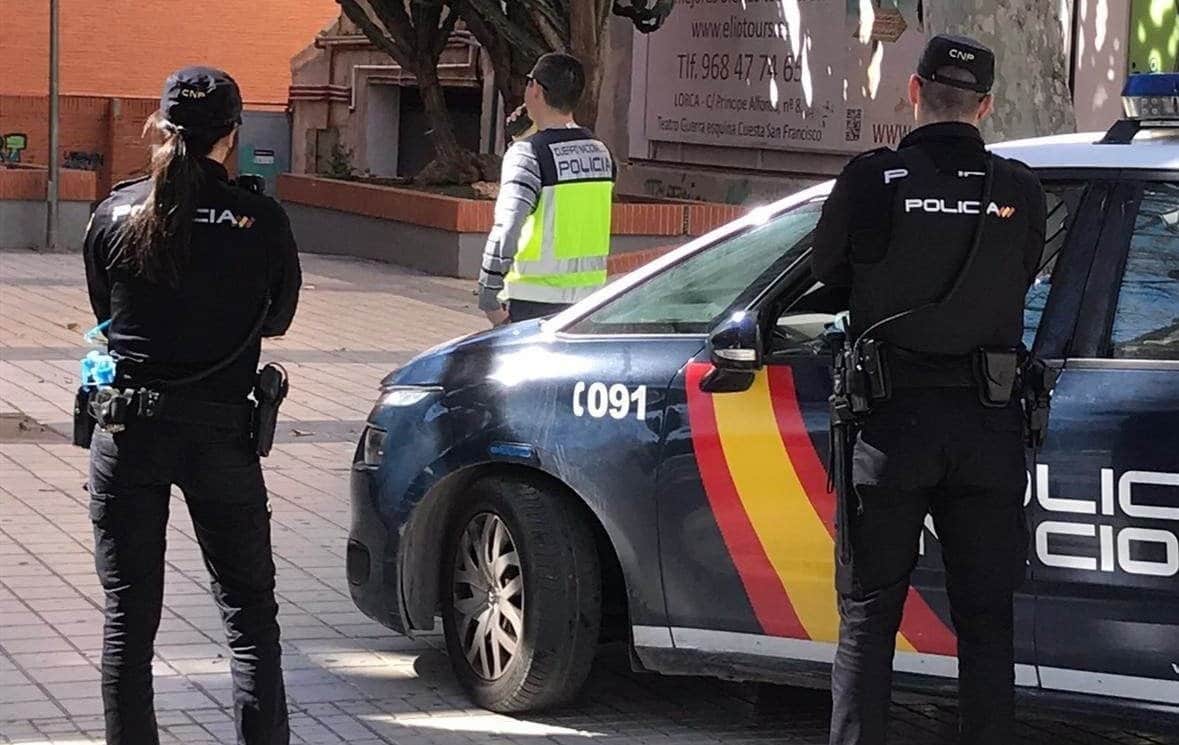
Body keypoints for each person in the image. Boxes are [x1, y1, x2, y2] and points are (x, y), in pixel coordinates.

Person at [811, 35, 1046, 745]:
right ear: (987, 105)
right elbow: (1019, 278)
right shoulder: (1018, 189)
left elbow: (828, 270)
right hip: (987, 427)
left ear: (912, 91)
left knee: (868, 617)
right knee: (984, 621)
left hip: (890, 427)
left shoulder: (872, 179)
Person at [82, 66, 301, 744]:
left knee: (129, 617)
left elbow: (106, 316)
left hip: (129, 432)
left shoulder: (115, 211)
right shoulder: (259, 218)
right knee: (248, 616)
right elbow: (278, 319)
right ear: (231, 134)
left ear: (161, 127)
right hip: (220, 436)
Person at [476, 52, 616, 326]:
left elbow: (508, 227)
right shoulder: (602, 153)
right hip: (589, 304)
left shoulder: (528, 154)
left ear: (536, 89)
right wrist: (526, 135)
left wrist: (488, 294)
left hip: (533, 304)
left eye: (529, 82)